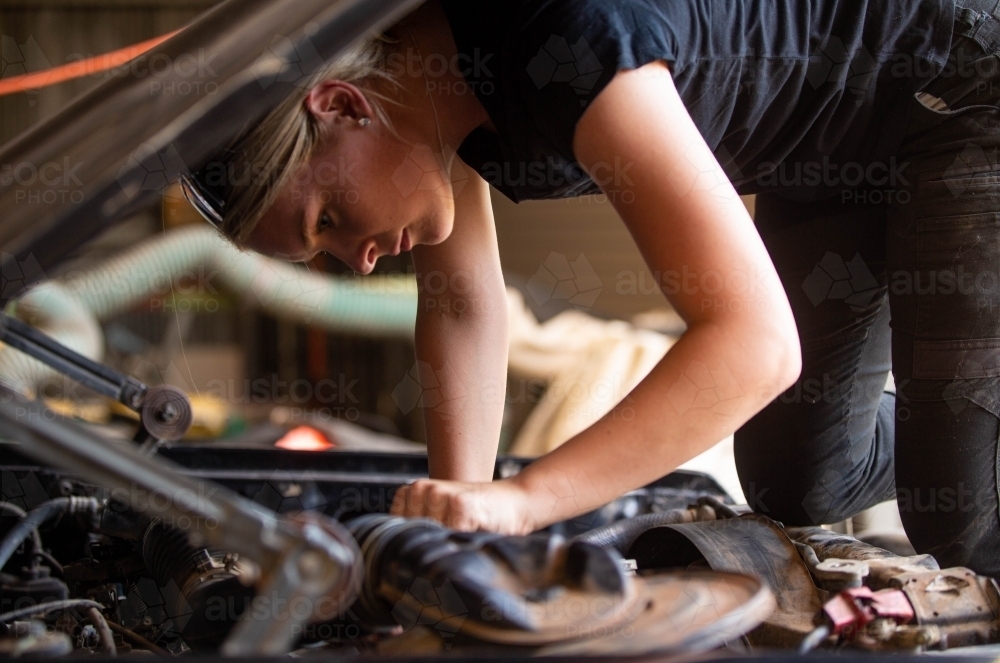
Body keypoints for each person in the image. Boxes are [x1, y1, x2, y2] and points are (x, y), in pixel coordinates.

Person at [182, 0, 1000, 576]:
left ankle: (968, 443)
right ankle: (959, 426)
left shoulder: (558, 37)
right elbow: (464, 306)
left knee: (960, 513)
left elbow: (755, 344)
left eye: (327, 219)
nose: (356, 260)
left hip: (954, 83)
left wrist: (530, 499)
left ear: (341, 104)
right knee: (802, 481)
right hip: (827, 153)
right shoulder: (429, 101)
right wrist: (464, 520)